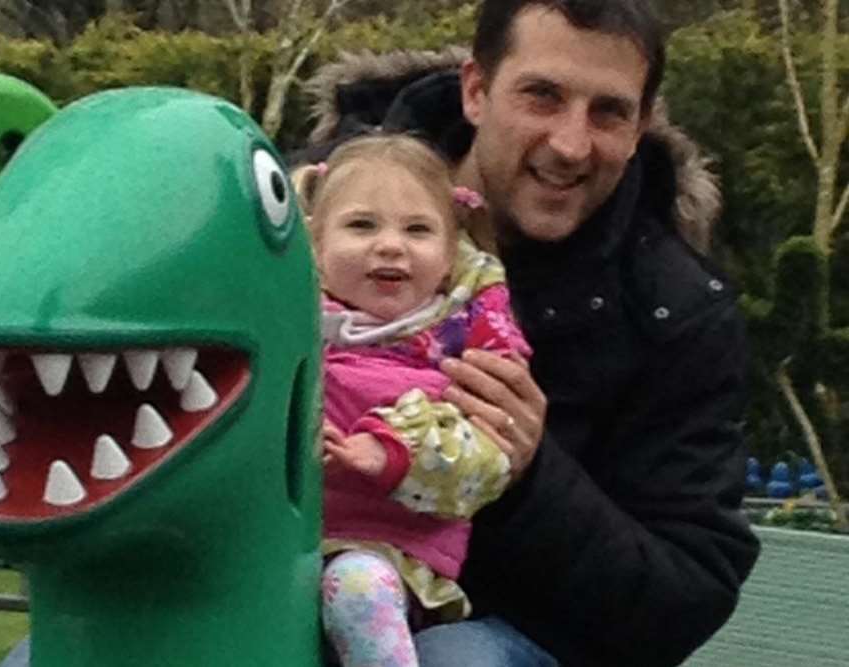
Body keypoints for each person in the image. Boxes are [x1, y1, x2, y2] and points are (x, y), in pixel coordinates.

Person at [292, 1, 760, 665]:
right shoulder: (291, 207)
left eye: (608, 112)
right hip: (276, 568)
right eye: (543, 96)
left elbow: (685, 596)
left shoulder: (674, 310)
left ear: (639, 128)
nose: (571, 144)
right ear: (477, 90)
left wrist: (530, 477)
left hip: (494, 627)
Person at [295, 134, 532, 667]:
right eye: (362, 225)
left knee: (356, 586)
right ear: (315, 244)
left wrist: (389, 452)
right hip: (282, 547)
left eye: (417, 230)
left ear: (449, 256)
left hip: (388, 558)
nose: (390, 245)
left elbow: (486, 462)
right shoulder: (290, 327)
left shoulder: (459, 348)